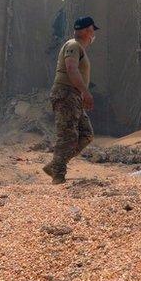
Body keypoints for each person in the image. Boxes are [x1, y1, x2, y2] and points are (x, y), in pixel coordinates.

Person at [43, 16, 98, 184]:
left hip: (73, 96)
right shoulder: (73, 46)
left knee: (86, 134)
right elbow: (71, 68)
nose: (92, 34)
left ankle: (55, 165)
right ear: (85, 31)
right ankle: (58, 177)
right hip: (66, 93)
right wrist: (85, 92)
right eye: (91, 30)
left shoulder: (79, 48)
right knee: (67, 135)